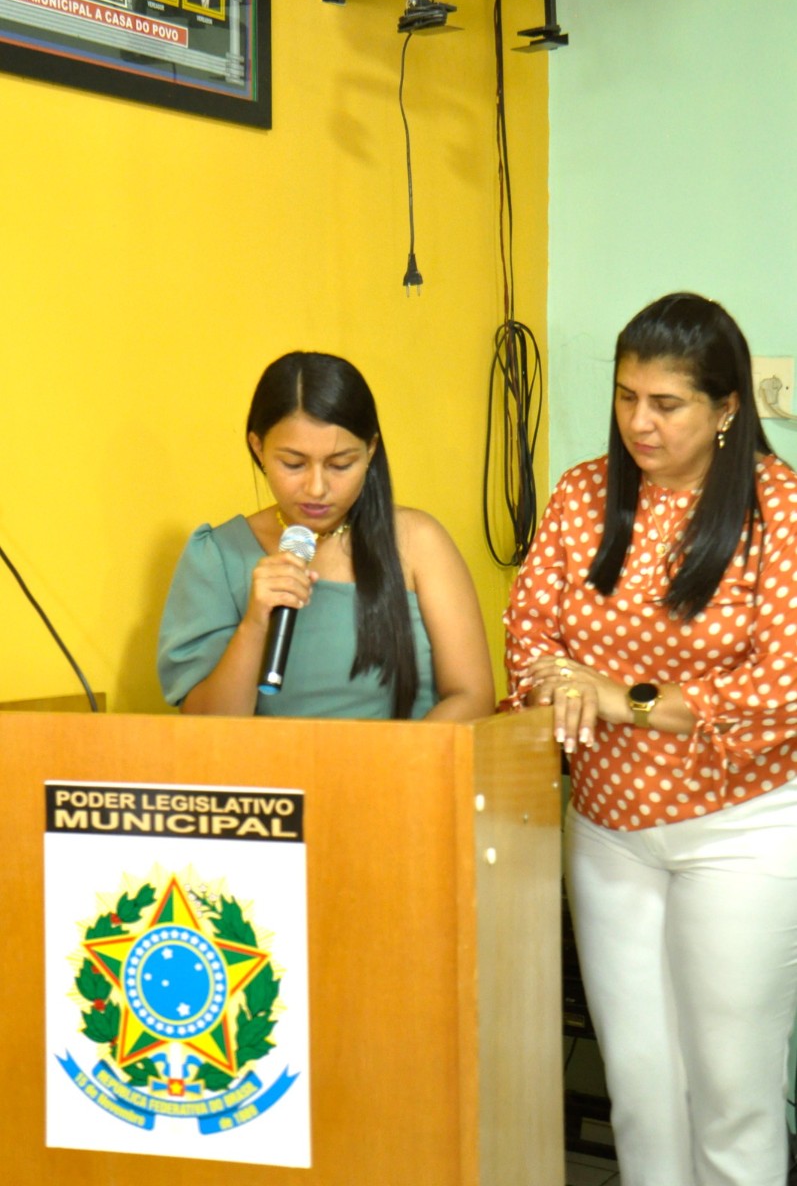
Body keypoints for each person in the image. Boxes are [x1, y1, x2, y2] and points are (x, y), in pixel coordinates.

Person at [503, 292, 797, 1186]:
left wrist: (622, 698)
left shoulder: (775, 508)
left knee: (731, 1093)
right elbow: (529, 638)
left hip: (739, 830)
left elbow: (780, 690)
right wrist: (558, 682)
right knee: (638, 1085)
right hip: (606, 830)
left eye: (665, 403)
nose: (639, 422)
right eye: (627, 397)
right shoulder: (583, 494)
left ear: (726, 408)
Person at [158, 350, 495, 722]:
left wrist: (393, 769)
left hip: (404, 772)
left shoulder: (419, 543)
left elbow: (472, 697)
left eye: (340, 465)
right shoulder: (218, 557)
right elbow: (204, 729)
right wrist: (255, 623)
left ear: (370, 449)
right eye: (294, 464)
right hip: (272, 778)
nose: (317, 488)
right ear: (258, 447)